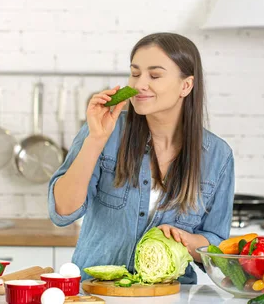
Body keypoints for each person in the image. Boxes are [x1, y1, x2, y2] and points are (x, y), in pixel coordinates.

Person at [48, 32, 235, 284]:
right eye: (135, 73)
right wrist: (95, 140)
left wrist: (186, 240)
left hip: (169, 295)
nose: (138, 84)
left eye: (154, 75)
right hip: (96, 294)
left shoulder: (217, 155)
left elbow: (218, 244)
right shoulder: (106, 131)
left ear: (186, 85)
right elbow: (63, 212)